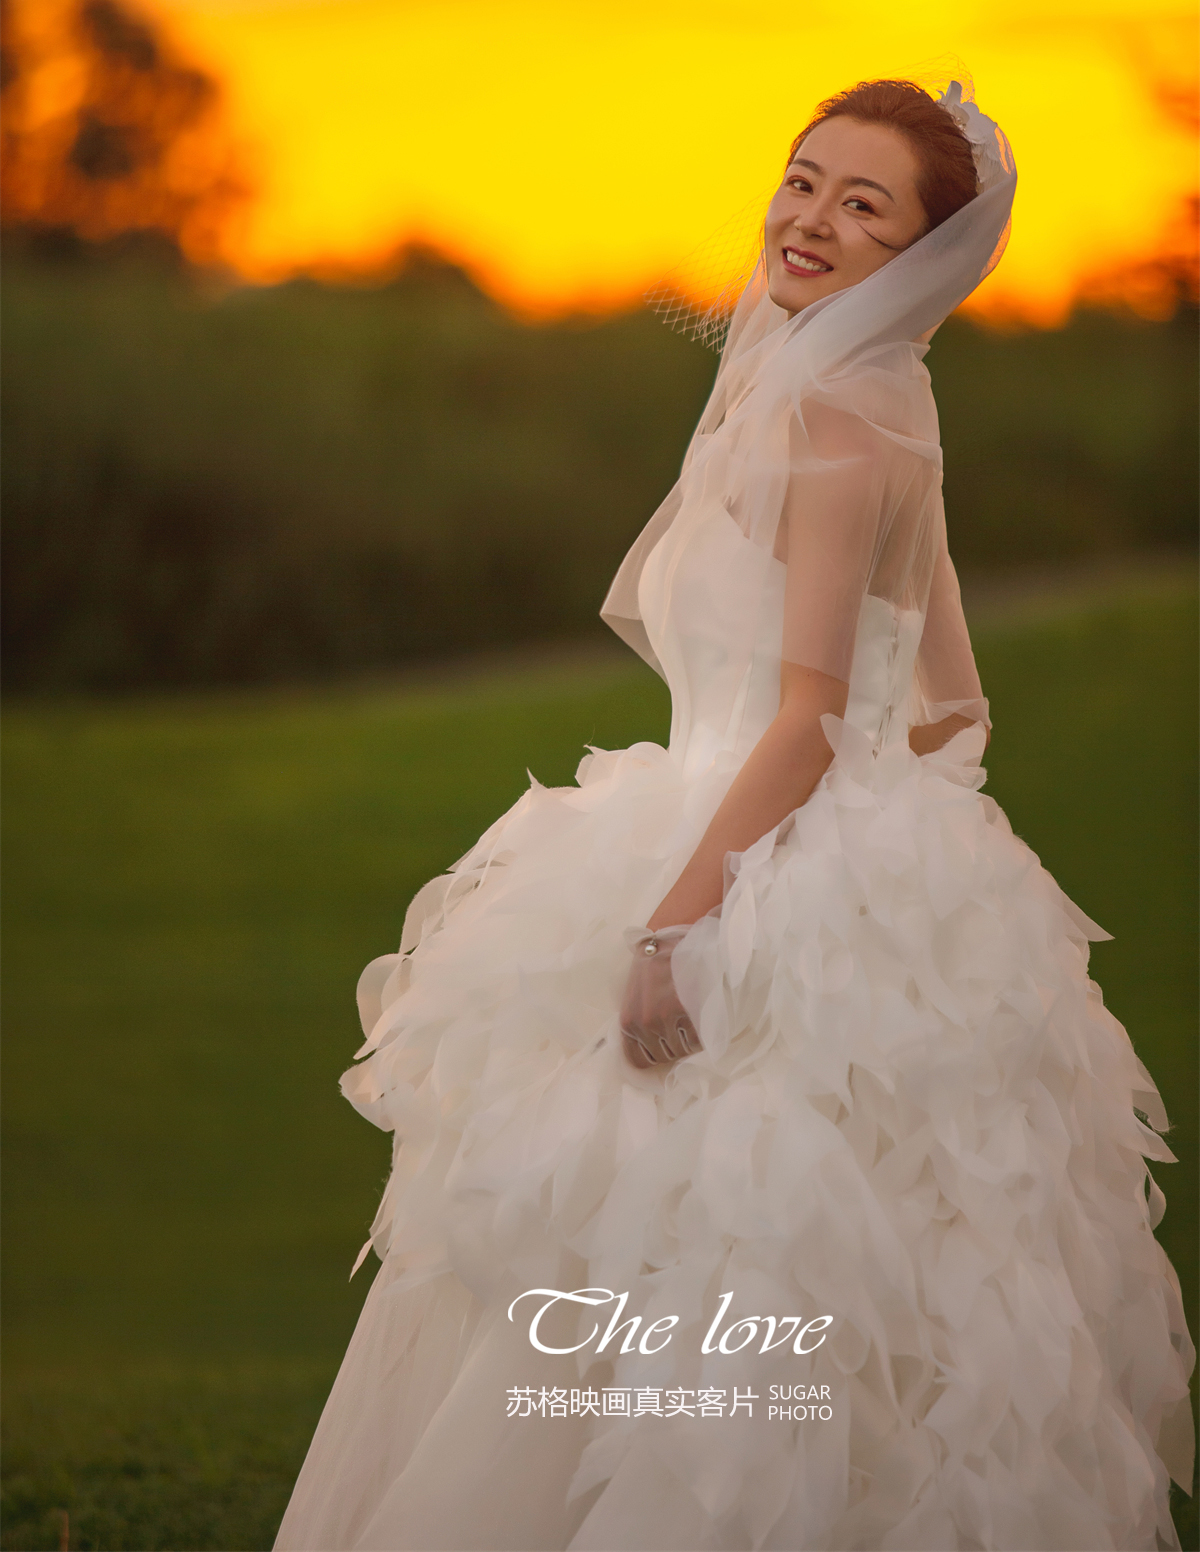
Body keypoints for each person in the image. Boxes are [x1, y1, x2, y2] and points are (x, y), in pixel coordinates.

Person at [273, 79, 1194, 1552]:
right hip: (796, 842)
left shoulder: (834, 417)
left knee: (677, 1238)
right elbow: (952, 706)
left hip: (732, 858)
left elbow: (811, 716)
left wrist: (677, 922)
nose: (811, 219)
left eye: (863, 204)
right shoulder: (888, 400)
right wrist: (903, 867)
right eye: (803, 178)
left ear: (919, 253)